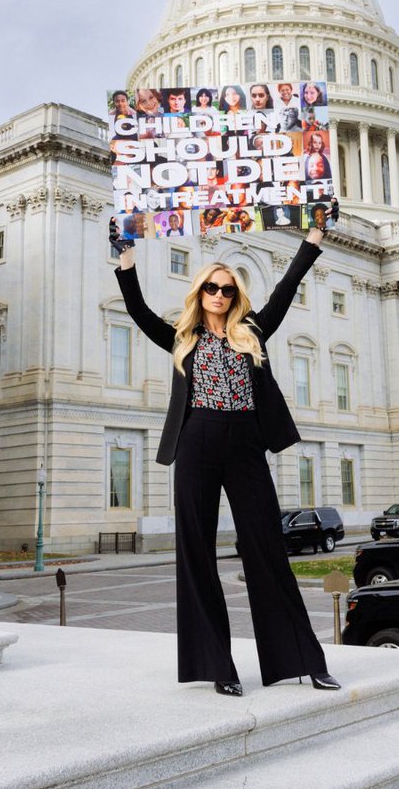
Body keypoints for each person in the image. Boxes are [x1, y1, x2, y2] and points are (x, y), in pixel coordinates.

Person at [109, 201, 342, 696]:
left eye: (227, 288)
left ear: (236, 295)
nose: (218, 293)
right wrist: (125, 254)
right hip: (195, 445)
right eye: (211, 287)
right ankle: (217, 666)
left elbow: (288, 286)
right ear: (200, 293)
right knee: (196, 554)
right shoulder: (182, 336)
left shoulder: (253, 331)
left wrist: (315, 236)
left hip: (245, 446)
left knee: (267, 549)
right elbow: (136, 309)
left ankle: (303, 660)